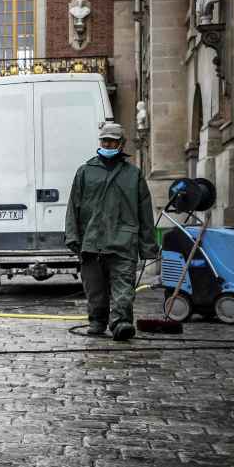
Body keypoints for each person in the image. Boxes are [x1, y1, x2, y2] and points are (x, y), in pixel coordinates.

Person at [65, 122, 158, 341]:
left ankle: (121, 322)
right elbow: (73, 207)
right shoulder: (85, 172)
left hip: (123, 241)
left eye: (113, 141)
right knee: (95, 288)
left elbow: (145, 212)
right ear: (100, 142)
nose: (108, 144)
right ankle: (97, 320)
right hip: (92, 240)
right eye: (105, 140)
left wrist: (148, 246)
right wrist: (72, 236)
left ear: (121, 144)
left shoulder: (133, 175)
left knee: (123, 286)